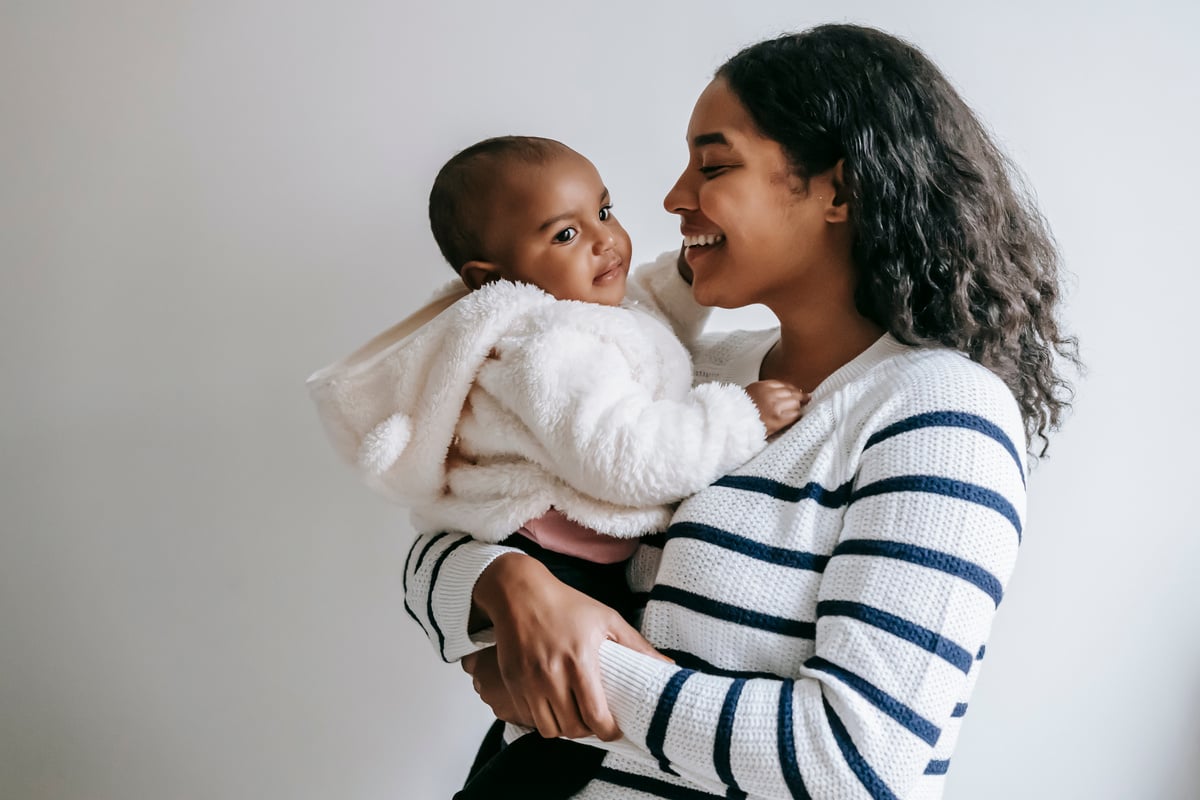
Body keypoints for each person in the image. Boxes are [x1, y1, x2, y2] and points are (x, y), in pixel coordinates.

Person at [402, 23, 1081, 800]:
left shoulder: (941, 415)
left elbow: (857, 763)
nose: (671, 198)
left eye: (714, 164)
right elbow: (450, 531)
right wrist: (510, 587)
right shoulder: (686, 371)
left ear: (840, 189)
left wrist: (578, 665)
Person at [307, 135, 808, 798]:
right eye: (567, 233)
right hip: (561, 562)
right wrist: (738, 419)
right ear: (494, 278)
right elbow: (627, 458)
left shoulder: (589, 311)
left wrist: (690, 275)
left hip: (563, 563)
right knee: (576, 730)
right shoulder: (547, 347)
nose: (606, 242)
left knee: (549, 725)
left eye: (605, 211)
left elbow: (652, 312)